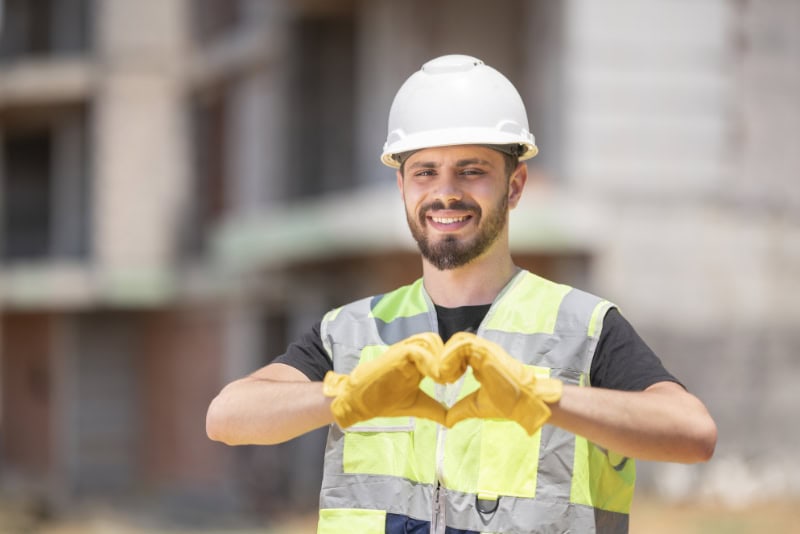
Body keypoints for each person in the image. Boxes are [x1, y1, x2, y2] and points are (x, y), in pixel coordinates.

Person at [206, 54, 717, 534]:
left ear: (515, 186)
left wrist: (545, 400)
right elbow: (228, 417)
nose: (445, 192)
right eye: (425, 172)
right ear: (402, 186)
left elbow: (692, 433)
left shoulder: (579, 325)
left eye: (472, 171)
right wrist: (345, 395)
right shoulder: (352, 330)